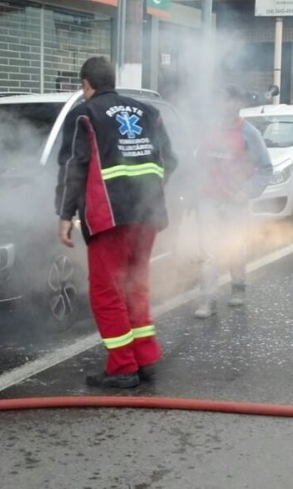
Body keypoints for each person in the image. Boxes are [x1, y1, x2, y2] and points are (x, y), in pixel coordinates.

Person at [55, 56, 177, 388]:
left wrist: (65, 215)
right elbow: (171, 160)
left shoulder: (85, 114)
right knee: (135, 284)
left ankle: (123, 367)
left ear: (86, 85)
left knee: (106, 292)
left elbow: (74, 167)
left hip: (110, 216)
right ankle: (146, 357)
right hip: (148, 214)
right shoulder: (149, 112)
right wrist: (149, 192)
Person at [193, 83, 273, 319]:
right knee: (208, 251)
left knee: (234, 247)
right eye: (220, 100)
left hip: (235, 202)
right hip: (208, 199)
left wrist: (246, 192)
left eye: (228, 100)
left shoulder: (250, 133)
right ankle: (208, 299)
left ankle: (238, 287)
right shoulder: (209, 130)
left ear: (237, 104)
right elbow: (198, 161)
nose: (223, 105)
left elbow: (266, 168)